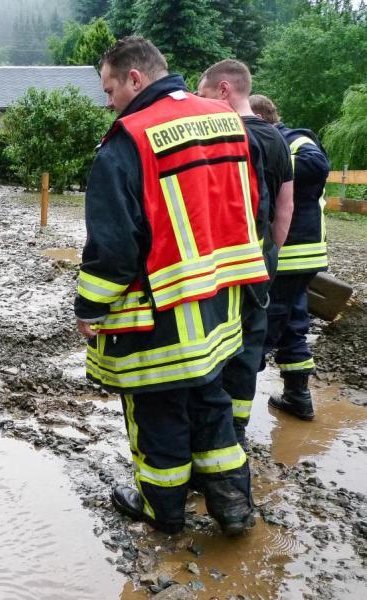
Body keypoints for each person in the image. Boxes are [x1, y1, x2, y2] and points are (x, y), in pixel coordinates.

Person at [76, 37, 269, 536]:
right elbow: (256, 207)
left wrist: (90, 306)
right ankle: (233, 508)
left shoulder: (129, 139)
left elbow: (115, 244)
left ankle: (162, 510)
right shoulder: (227, 121)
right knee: (211, 403)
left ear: (135, 79)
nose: (109, 100)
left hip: (159, 310)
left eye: (110, 88)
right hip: (221, 303)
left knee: (156, 408)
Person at [198, 60, 294, 446]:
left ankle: (212, 431)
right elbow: (286, 205)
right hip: (264, 255)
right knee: (250, 341)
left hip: (226, 259)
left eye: (203, 95)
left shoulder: (226, 137)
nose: (201, 104)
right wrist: (271, 251)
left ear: (224, 90)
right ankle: (237, 431)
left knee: (217, 341)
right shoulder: (277, 139)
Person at [250, 94, 330, 420]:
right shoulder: (280, 142)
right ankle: (298, 396)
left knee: (262, 325)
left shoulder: (295, 140)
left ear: (260, 118)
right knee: (294, 324)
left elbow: (318, 164)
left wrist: (273, 163)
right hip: (300, 255)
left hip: (291, 253)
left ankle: (230, 400)